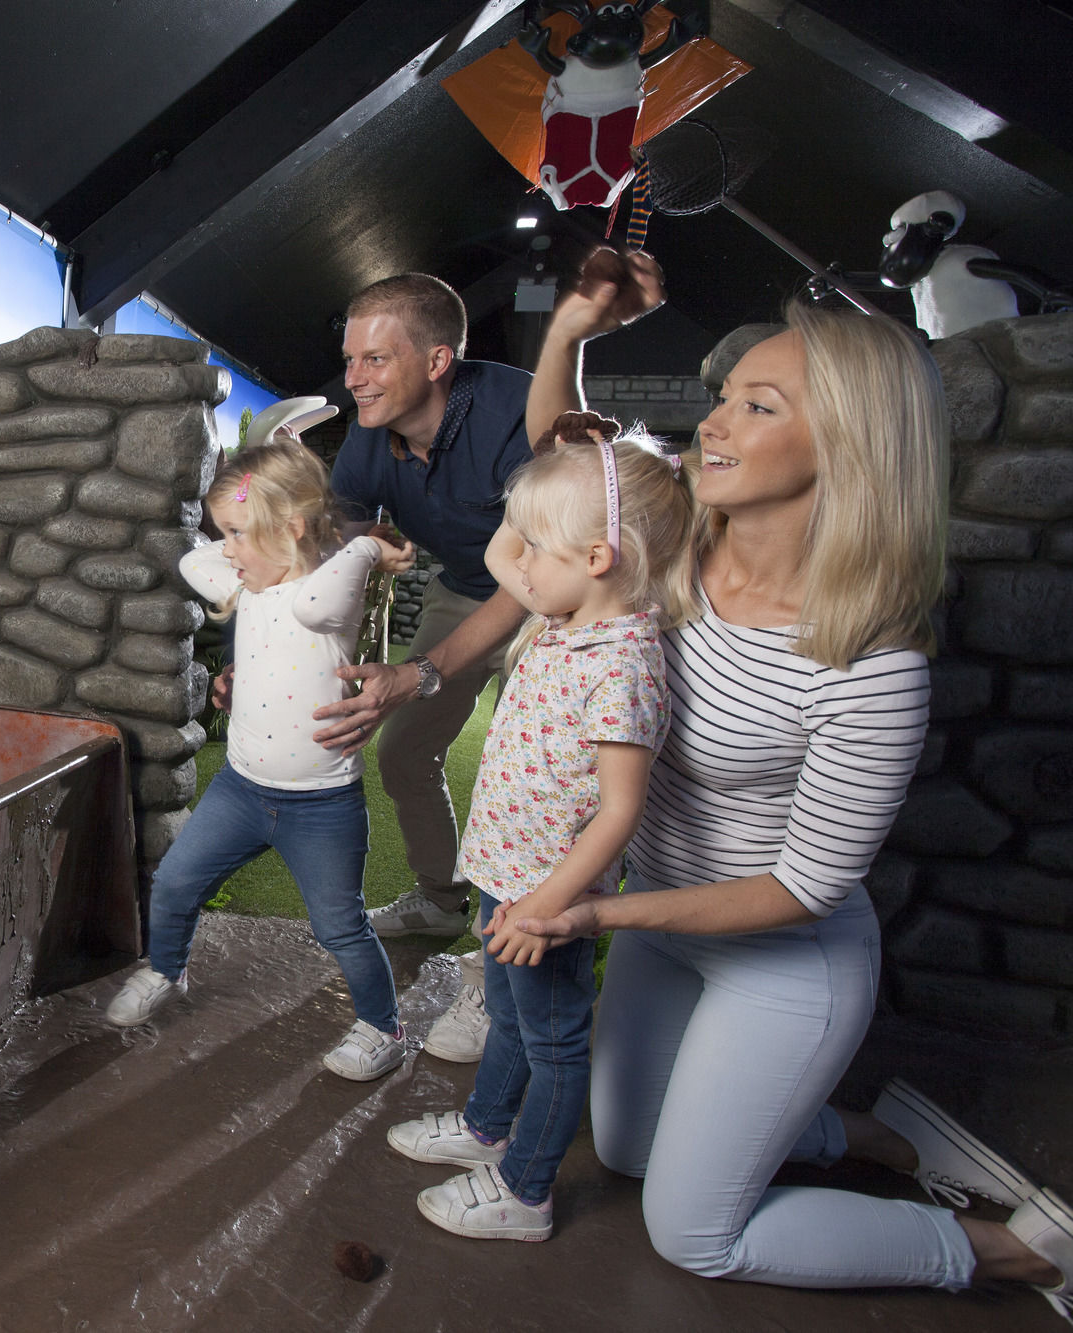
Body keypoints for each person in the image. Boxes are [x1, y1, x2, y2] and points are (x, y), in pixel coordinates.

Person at [497, 267, 1070, 1310]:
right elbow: (561, 469)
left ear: (846, 447)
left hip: (782, 956)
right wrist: (569, 328)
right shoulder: (668, 553)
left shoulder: (868, 663)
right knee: (619, 1146)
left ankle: (1011, 1250)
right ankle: (870, 1136)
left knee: (691, 1233)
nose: (714, 422)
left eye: (757, 407)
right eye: (725, 396)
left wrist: (588, 909)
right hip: (659, 928)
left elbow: (801, 888)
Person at [388, 423, 696, 1241]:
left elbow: (621, 810)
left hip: (547, 895)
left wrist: (550, 907)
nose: (516, 562)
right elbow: (502, 555)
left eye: (538, 547)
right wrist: (559, 477)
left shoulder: (623, 660)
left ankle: (526, 1188)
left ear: (598, 558)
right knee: (512, 1021)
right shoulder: (564, 614)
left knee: (556, 1042)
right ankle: (488, 1127)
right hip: (503, 868)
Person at [105, 439, 417, 1081]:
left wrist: (363, 546)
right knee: (175, 883)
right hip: (242, 792)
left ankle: (382, 1028)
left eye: (239, 534)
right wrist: (237, 535)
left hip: (322, 806)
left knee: (340, 927)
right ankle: (168, 968)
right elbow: (194, 562)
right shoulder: (254, 577)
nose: (228, 550)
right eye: (226, 534)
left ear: (293, 530)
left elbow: (308, 605)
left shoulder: (327, 587)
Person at [325, 273, 538, 1064]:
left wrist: (417, 673)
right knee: (404, 750)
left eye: (375, 359)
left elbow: (541, 574)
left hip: (559, 601)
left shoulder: (515, 413)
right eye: (350, 359)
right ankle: (444, 899)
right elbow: (334, 549)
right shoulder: (365, 432)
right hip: (468, 582)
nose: (354, 378)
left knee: (528, 778)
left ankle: (503, 974)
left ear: (440, 358)